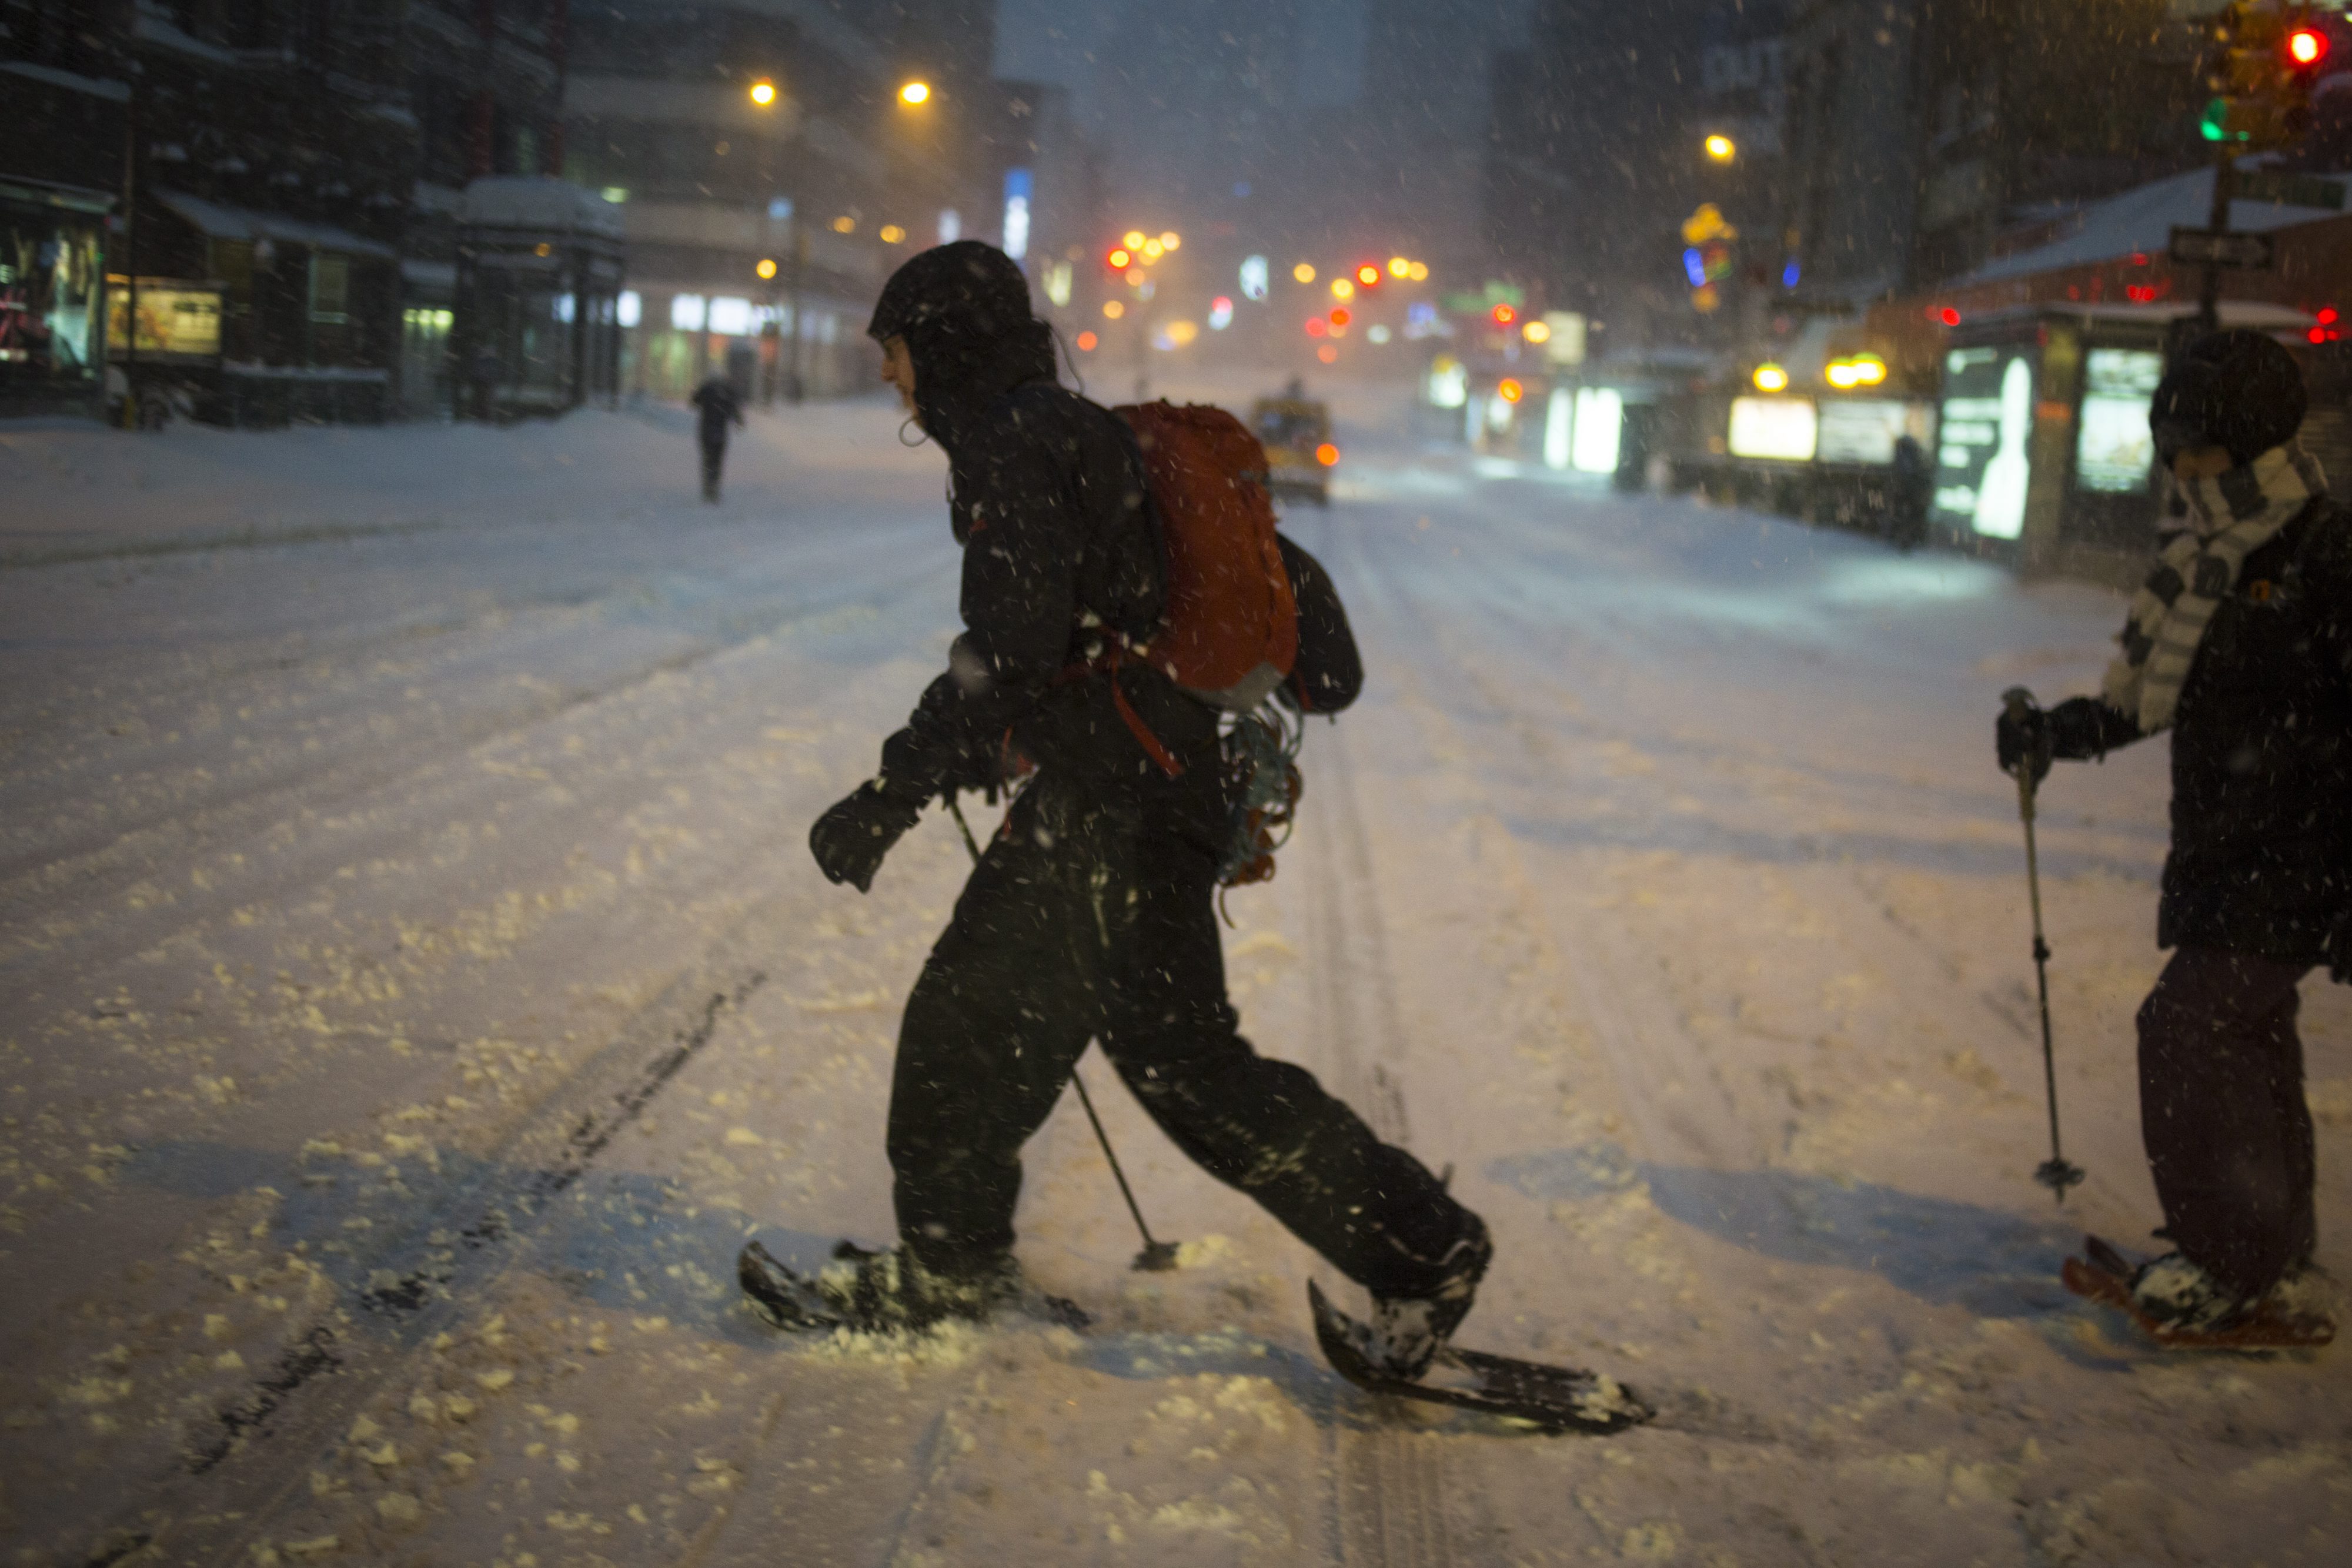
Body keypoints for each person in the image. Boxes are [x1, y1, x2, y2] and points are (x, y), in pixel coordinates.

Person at [790, 241, 1490, 1375]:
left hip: (1115, 804)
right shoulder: (1080, 430)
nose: (890, 377)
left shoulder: (1021, 441)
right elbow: (1108, 626)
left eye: (898, 350)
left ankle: (951, 1269)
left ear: (948, 344)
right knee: (1177, 1063)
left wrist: (893, 789)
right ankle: (1424, 1246)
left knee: (973, 1031)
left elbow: (1005, 655)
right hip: (1158, 788)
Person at [1996, 329, 2350, 1342]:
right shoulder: (2203, 564)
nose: (2180, 466)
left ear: (2244, 439)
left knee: (2191, 1032)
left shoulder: (2325, 554)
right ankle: (2274, 1255)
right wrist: (2053, 733)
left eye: (2193, 444)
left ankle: (2232, 1262)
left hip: (2298, 852)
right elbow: (2149, 701)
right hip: (2223, 849)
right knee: (2246, 1039)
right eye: (2172, 445)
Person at [691, 373, 745, 501]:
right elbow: (734, 409)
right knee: (718, 459)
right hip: (720, 430)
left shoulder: (706, 390)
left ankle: (708, 486)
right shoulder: (727, 392)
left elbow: (694, 402)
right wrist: (739, 421)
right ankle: (714, 486)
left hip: (706, 429)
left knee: (707, 458)